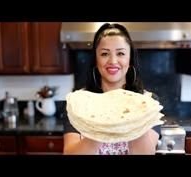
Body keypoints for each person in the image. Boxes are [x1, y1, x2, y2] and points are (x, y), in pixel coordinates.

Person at [63, 23, 161, 155]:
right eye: (104, 54)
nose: (113, 61)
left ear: (130, 59)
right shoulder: (78, 103)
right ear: (96, 61)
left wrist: (135, 115)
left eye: (120, 53)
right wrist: (99, 123)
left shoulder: (149, 102)